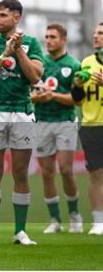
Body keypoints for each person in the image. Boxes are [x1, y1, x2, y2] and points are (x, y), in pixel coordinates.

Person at [0, 0, 43, 246]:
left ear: (16, 18)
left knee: (20, 173)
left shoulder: (32, 43)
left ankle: (20, 231)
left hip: (22, 113)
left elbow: (35, 76)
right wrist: (4, 54)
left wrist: (19, 50)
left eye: (3, 15)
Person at [31, 23, 83, 233]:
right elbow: (30, 95)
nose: (48, 40)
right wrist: (38, 97)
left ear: (63, 40)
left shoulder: (74, 64)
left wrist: (53, 96)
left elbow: (77, 100)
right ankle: (55, 220)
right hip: (42, 121)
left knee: (66, 170)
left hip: (65, 121)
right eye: (47, 37)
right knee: (46, 172)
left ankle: (74, 215)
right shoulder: (38, 64)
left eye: (53, 37)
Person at [71, 21, 103, 235]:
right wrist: (78, 86)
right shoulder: (87, 62)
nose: (96, 36)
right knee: (96, 174)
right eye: (95, 32)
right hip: (91, 126)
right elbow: (77, 100)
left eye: (100, 33)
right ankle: (99, 222)